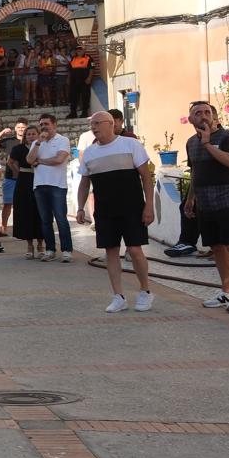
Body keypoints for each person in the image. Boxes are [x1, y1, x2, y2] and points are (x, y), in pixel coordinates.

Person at [75, 111, 156, 312]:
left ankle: (145, 291)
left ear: (111, 124)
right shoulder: (90, 153)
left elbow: (146, 177)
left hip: (132, 208)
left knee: (135, 250)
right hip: (105, 210)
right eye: (92, 124)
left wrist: (149, 206)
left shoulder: (131, 145)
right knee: (110, 252)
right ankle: (118, 296)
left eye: (97, 123)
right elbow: (84, 183)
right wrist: (79, 207)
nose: (94, 127)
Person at [183, 100, 229, 314]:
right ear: (190, 119)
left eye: (207, 112)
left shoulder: (227, 137)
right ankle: (226, 291)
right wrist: (190, 199)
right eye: (197, 113)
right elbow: (195, 172)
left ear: (214, 116)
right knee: (217, 247)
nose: (203, 116)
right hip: (205, 203)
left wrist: (208, 144)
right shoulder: (191, 142)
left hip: (227, 201)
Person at [27, 113, 74, 262]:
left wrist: (39, 161)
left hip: (57, 185)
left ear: (54, 125)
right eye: (41, 124)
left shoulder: (63, 140)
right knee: (45, 220)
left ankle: (66, 250)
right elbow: (29, 160)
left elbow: (59, 159)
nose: (43, 127)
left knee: (61, 219)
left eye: (46, 124)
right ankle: (50, 249)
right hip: (39, 185)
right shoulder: (37, 142)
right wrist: (39, 143)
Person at [8, 132, 43, 258]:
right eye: (28, 134)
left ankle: (41, 244)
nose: (31, 136)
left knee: (40, 211)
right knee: (26, 211)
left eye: (34, 134)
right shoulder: (18, 148)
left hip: (39, 178)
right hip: (24, 180)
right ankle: (29, 245)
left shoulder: (42, 146)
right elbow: (10, 162)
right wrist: (18, 172)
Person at [0, 121, 27, 229]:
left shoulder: (31, 141)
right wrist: (2, 132)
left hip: (27, 177)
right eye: (18, 127)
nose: (20, 129)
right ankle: (3, 227)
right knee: (7, 204)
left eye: (23, 127)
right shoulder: (9, 141)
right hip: (10, 177)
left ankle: (24, 227)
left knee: (24, 205)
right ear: (15, 128)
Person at [69, 47, 93, 118]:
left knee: (85, 96)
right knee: (73, 96)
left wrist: (89, 78)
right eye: (77, 50)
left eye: (80, 50)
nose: (78, 51)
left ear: (83, 50)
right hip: (74, 81)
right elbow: (70, 69)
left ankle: (84, 112)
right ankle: (73, 112)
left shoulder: (88, 58)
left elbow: (92, 68)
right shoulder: (73, 58)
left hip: (84, 80)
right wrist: (68, 79)